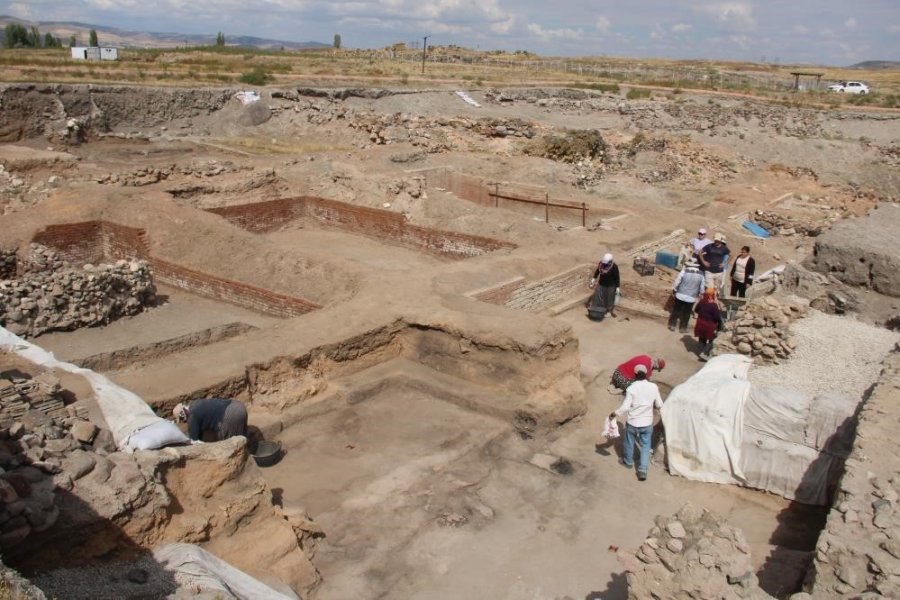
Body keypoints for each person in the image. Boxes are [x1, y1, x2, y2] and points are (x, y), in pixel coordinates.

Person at [609, 364, 663, 481]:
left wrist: (614, 414)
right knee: (645, 445)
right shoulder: (653, 387)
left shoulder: (631, 388)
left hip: (633, 423)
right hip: (647, 423)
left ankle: (628, 462)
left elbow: (625, 407)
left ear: (635, 375)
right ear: (646, 374)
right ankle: (643, 470)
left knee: (629, 442)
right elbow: (659, 405)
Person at [173, 398, 248, 442]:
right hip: (239, 406)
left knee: (230, 444)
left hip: (230, 415)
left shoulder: (192, 417)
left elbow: (194, 441)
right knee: (242, 438)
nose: (183, 421)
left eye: (182, 419)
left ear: (183, 414)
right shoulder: (195, 403)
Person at [668, 258, 705, 333]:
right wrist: (701, 293)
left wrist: (674, 289)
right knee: (687, 313)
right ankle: (683, 328)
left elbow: (677, 281)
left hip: (680, 294)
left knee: (676, 310)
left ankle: (672, 325)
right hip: (691, 297)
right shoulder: (701, 274)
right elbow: (702, 287)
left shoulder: (684, 271)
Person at [693, 288, 723, 361]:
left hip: (700, 324)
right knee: (712, 339)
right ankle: (704, 353)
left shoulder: (701, 302)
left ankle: (701, 351)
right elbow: (716, 317)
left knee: (702, 338)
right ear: (712, 295)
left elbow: (696, 310)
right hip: (709, 326)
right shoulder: (714, 305)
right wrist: (720, 325)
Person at [589, 253, 620, 318]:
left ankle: (608, 311)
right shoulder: (601, 264)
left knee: (609, 298)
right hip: (601, 283)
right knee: (598, 296)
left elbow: (617, 277)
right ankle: (598, 309)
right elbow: (597, 271)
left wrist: (617, 287)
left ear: (610, 261)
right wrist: (594, 278)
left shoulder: (614, 267)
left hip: (610, 285)